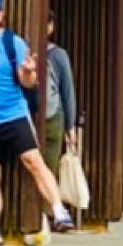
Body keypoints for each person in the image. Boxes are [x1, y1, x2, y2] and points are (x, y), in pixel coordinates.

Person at [0, 0, 73, 246]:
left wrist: (30, 73)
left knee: (33, 161)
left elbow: (28, 82)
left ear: (1, 16)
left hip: (13, 115)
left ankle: (59, 210)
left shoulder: (13, 43)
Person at [41, 11, 79, 181]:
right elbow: (67, 91)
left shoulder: (23, 51)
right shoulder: (59, 55)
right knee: (49, 169)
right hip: (53, 115)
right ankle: (46, 207)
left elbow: (68, 91)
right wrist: (70, 127)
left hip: (34, 117)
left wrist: (70, 125)